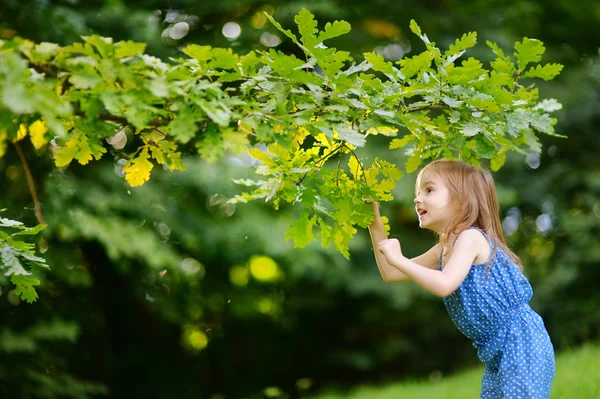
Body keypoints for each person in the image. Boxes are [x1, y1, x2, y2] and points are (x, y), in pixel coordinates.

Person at [368, 159, 555, 399]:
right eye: (418, 192)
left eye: (429, 190)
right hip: (495, 351)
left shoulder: (471, 238)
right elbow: (391, 272)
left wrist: (399, 258)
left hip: (521, 342)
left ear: (461, 200)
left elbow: (445, 284)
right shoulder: (443, 249)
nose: (417, 199)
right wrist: (375, 224)